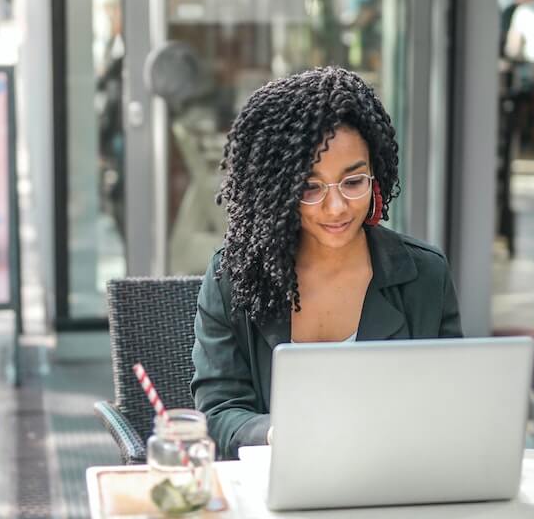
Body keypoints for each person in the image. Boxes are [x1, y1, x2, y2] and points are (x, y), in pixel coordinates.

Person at [190, 67, 463, 459]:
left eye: (353, 183)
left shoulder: (425, 276)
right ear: (277, 191)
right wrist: (275, 433)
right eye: (310, 187)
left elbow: (450, 406)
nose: (336, 208)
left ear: (376, 177)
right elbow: (218, 413)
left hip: (395, 483)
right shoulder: (233, 278)